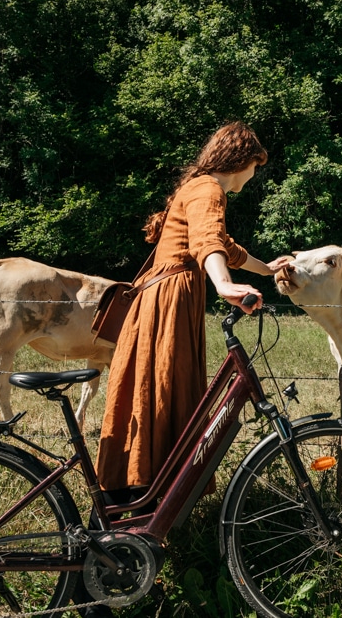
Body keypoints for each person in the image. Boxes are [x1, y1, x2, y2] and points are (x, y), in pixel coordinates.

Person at [94, 121, 287, 510]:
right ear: (241, 160)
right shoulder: (209, 189)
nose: (253, 177)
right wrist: (224, 285)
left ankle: (140, 493)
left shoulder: (195, 188)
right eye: (254, 167)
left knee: (151, 390)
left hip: (160, 301)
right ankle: (147, 495)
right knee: (164, 385)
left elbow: (223, 245)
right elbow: (208, 243)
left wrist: (267, 268)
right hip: (169, 304)